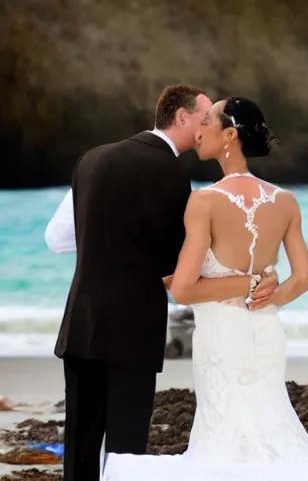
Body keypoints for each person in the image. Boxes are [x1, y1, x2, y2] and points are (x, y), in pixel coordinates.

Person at [102, 97, 308, 480]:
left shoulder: (204, 202)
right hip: (266, 334)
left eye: (209, 120)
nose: (199, 129)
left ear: (229, 135)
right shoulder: (285, 201)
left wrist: (244, 285)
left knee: (224, 441)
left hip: (222, 339)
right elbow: (303, 278)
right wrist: (264, 294)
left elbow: (182, 289)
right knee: (266, 426)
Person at [44, 87, 278, 481]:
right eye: (203, 118)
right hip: (132, 330)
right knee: (125, 451)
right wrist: (246, 277)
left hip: (81, 322)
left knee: (80, 446)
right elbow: (177, 266)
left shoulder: (91, 159)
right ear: (182, 118)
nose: (205, 127)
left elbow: (58, 238)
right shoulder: (170, 174)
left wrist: (106, 244)